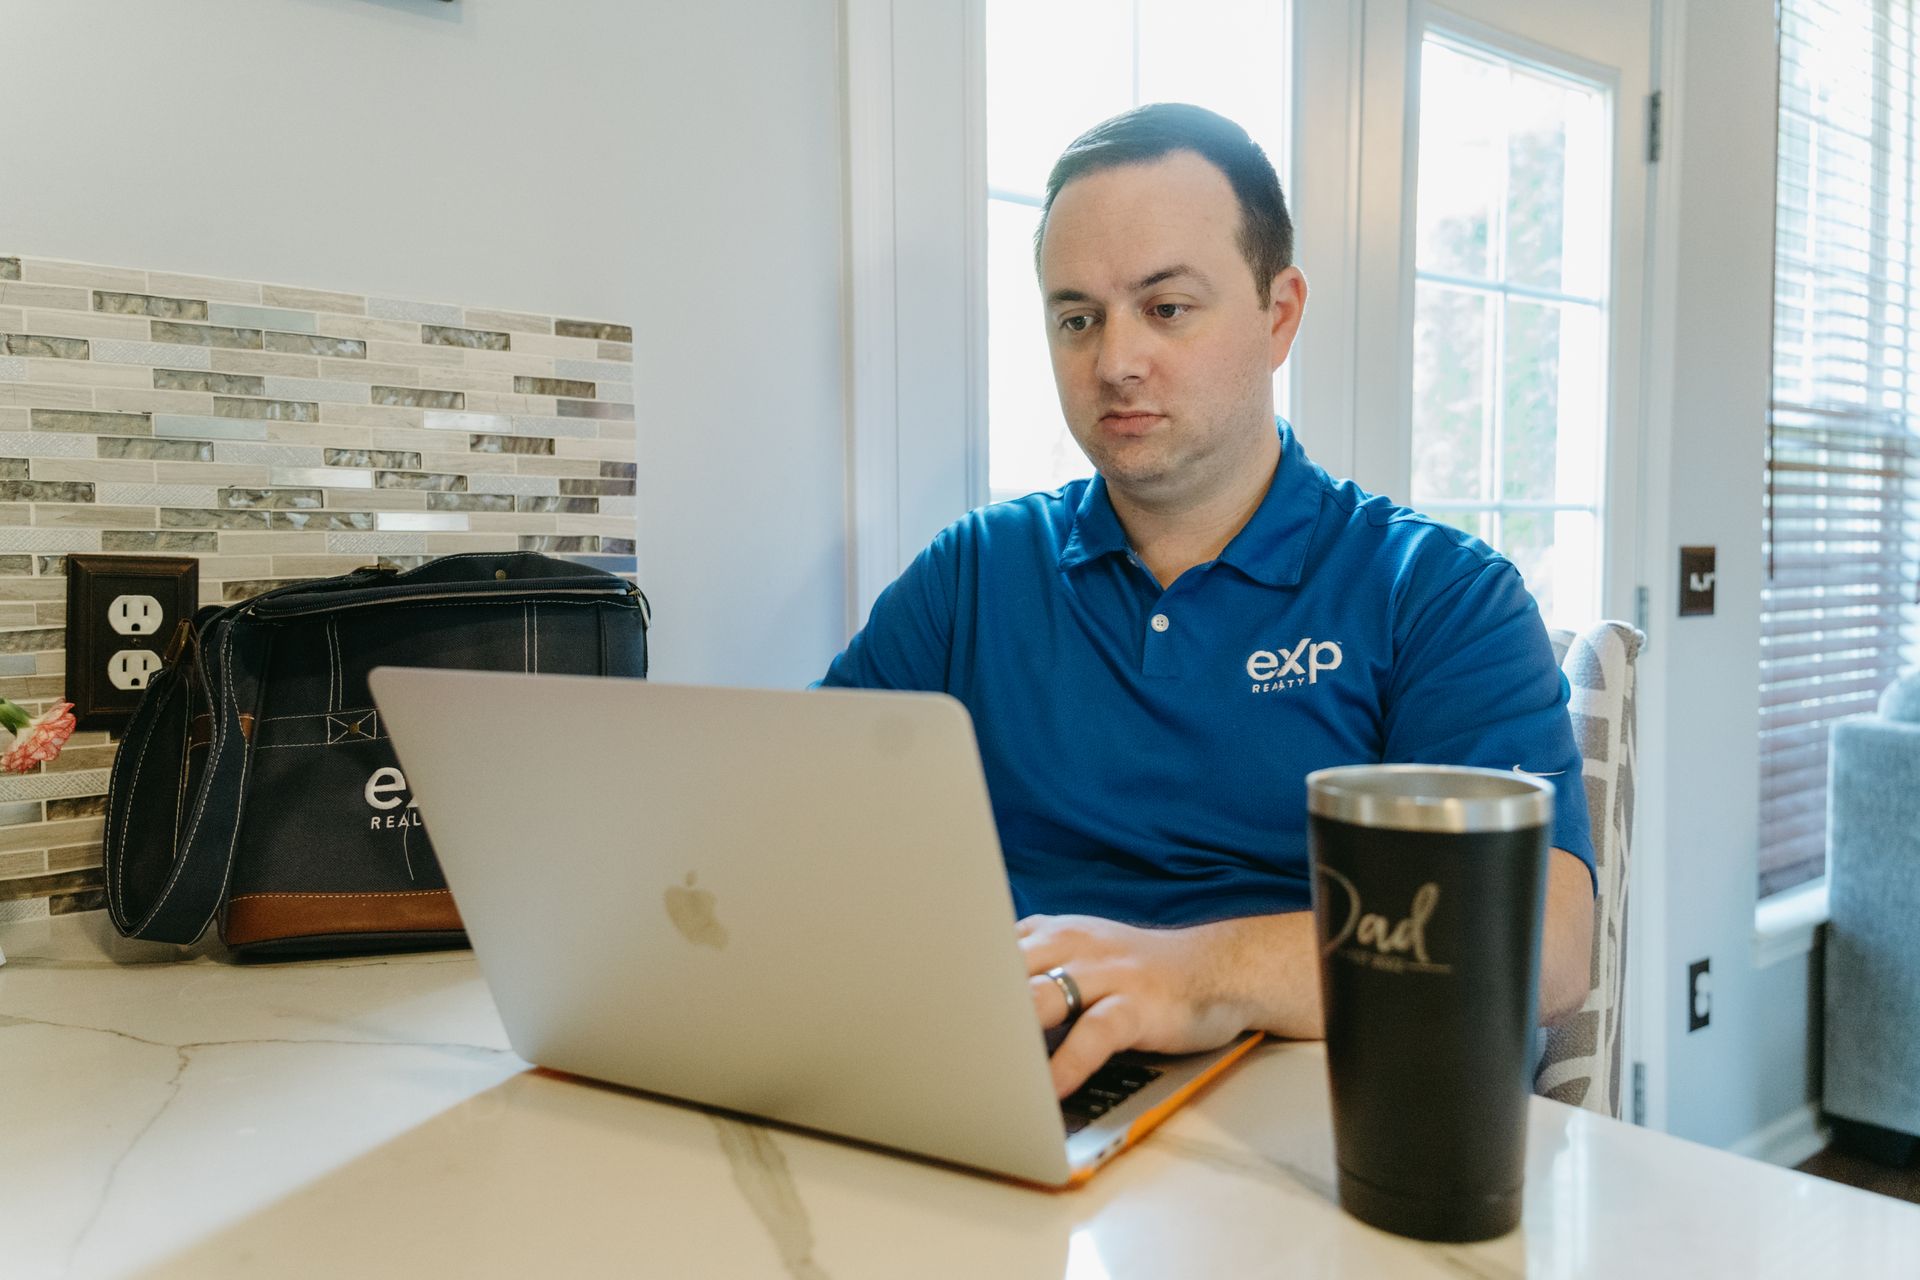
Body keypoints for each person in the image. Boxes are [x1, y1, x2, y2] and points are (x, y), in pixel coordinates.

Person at [819, 103, 1595, 1099]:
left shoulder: (1435, 593)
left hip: (1308, 1117)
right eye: (1076, 317)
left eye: (1167, 307)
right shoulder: (975, 573)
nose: (1114, 360)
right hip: (1015, 1083)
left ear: (1279, 314)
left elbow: (1549, 940)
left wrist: (1193, 975)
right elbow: (801, 811)